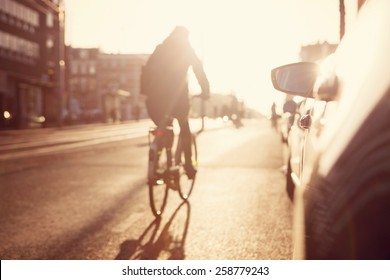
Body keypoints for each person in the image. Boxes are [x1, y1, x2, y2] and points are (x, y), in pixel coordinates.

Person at [142, 26, 210, 179]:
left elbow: (146, 70)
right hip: (177, 100)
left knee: (164, 128)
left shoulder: (160, 49)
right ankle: (188, 165)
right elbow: (199, 71)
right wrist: (205, 91)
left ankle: (157, 164)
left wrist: (146, 93)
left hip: (153, 100)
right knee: (184, 127)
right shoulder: (187, 50)